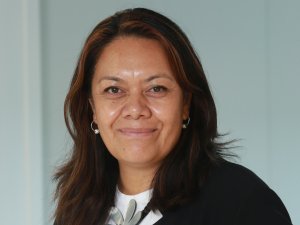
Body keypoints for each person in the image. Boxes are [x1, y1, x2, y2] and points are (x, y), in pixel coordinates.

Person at [53, 8, 292, 225]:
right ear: (92, 108)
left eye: (156, 88)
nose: (135, 109)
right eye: (114, 90)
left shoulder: (241, 203)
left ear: (186, 103)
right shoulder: (78, 205)